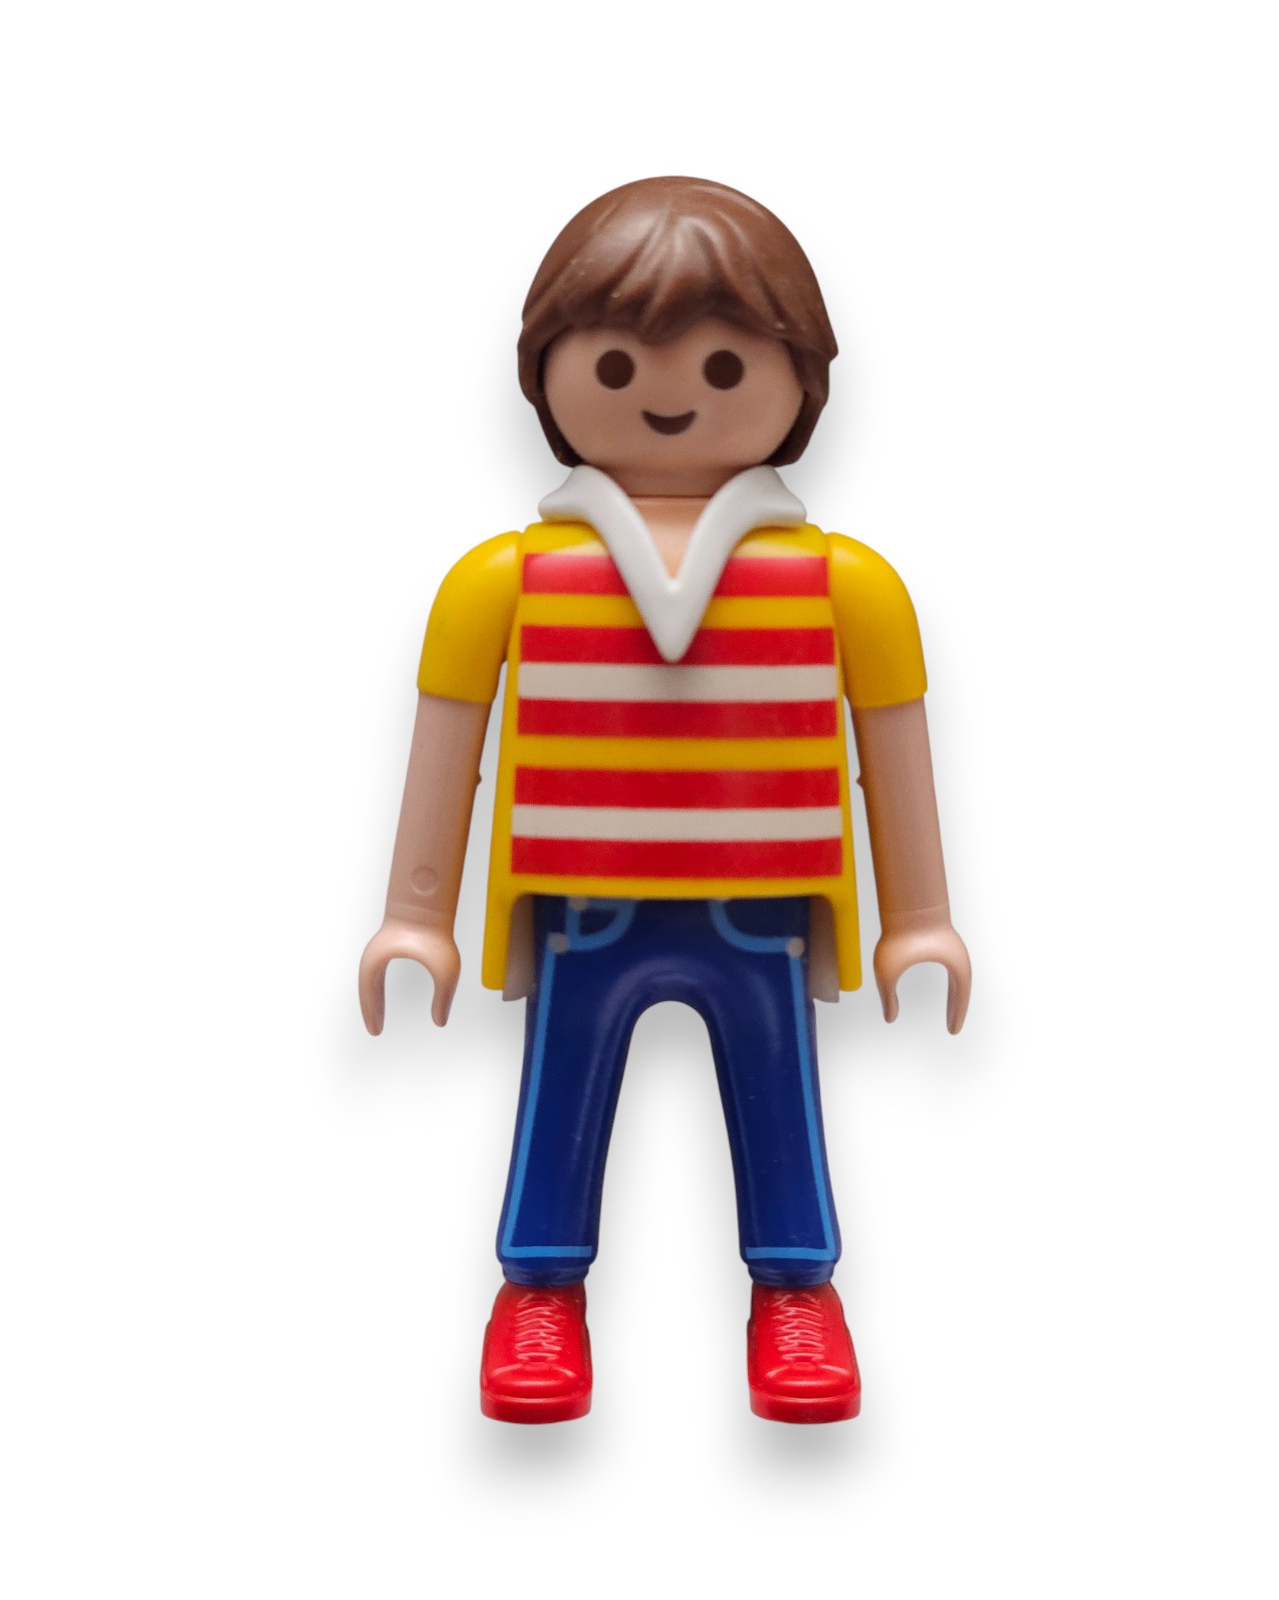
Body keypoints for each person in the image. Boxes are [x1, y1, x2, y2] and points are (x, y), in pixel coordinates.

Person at [359, 176, 971, 1424]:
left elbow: (891, 752)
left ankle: (796, 1295)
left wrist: (919, 918)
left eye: (725, 363)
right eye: (617, 362)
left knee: (780, 1093)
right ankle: (538, 1293)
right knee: (558, 1093)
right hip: (584, 907)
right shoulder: (502, 580)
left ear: (800, 378)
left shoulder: (848, 586)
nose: (672, 393)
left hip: (761, 910)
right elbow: (448, 748)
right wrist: (415, 913)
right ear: (547, 375)